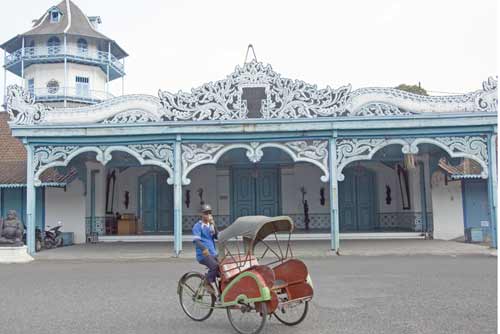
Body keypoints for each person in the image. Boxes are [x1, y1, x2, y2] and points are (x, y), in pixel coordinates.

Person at [192, 204, 219, 295]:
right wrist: (204, 249)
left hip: (213, 253)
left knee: (224, 269)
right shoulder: (198, 226)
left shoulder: (210, 225)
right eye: (206, 213)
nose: (208, 215)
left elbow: (217, 237)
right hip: (203, 255)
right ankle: (206, 283)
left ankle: (221, 294)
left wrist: (213, 225)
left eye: (209, 213)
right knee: (215, 266)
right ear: (201, 214)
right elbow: (197, 241)